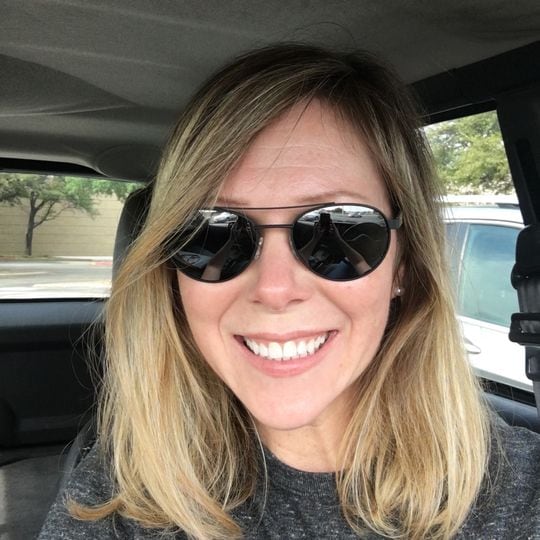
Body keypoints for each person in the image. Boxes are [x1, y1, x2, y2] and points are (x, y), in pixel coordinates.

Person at [39, 44, 540, 540]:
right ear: (172, 273)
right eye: (214, 234)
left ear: (404, 263)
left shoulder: (522, 497)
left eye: (337, 230)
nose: (275, 288)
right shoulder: (119, 501)